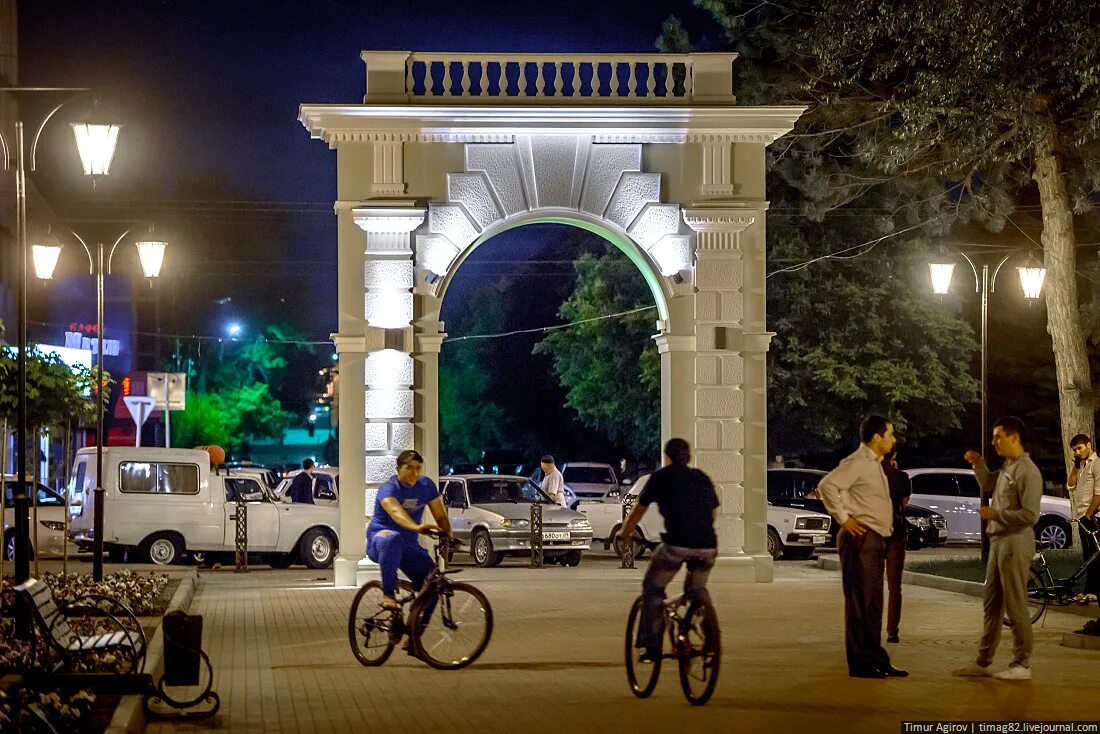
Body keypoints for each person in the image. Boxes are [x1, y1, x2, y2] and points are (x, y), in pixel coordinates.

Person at [816, 415, 907, 679]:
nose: (894, 439)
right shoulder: (858, 462)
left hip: (874, 538)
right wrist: (844, 519)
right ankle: (860, 663)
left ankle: (876, 658)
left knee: (873, 603)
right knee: (860, 603)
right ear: (877, 437)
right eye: (890, 434)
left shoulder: (874, 463)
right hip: (861, 539)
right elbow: (827, 486)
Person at [953, 416, 1042, 681]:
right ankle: (983, 661)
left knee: (1015, 605)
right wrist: (977, 464)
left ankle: (1022, 664)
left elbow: (1030, 515)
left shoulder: (1028, 471)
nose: (994, 442)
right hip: (999, 542)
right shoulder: (1008, 466)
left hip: (1015, 541)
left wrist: (996, 513)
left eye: (998, 437)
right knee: (991, 604)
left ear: (1014, 438)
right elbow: (989, 483)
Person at [618, 438, 718, 664]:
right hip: (708, 547)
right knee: (697, 589)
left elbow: (638, 510)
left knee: (652, 589)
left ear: (667, 457)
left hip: (676, 545)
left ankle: (651, 647)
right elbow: (712, 513)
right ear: (689, 457)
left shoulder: (660, 478)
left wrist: (625, 532)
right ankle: (711, 640)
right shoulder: (701, 477)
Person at [366, 450, 452, 610]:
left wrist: (448, 535)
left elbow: (440, 516)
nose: (415, 472)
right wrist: (417, 527)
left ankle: (414, 632)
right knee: (393, 539)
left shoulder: (426, 486)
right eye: (409, 467)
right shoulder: (389, 488)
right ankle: (388, 594)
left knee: (432, 586)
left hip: (408, 547)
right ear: (398, 468)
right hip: (381, 540)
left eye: (418, 468)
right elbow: (396, 512)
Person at [882, 449, 911, 644]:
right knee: (894, 585)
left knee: (871, 584)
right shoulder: (901, 477)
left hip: (873, 533)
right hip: (895, 532)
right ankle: (892, 630)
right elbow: (904, 503)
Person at [1068, 434, 1100, 604]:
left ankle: (1094, 592)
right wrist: (1076, 466)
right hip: (1082, 517)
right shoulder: (1083, 466)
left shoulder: (1097, 464)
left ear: (1089, 445)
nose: (1077, 452)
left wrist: (1089, 515)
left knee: (1095, 556)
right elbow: (1071, 485)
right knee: (1088, 556)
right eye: (1074, 450)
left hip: (1093, 517)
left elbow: (1099, 494)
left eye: (1080, 448)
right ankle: (1088, 590)